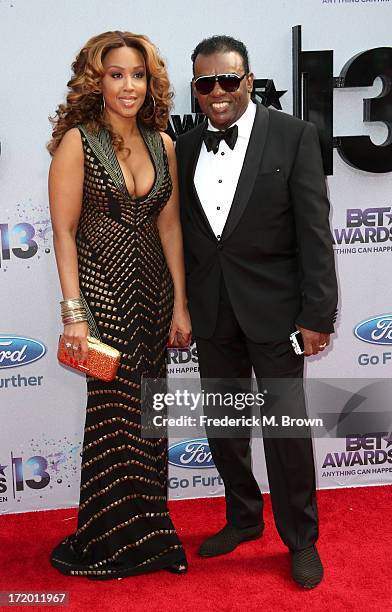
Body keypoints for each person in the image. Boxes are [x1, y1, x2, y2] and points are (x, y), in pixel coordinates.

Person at [176, 35, 338, 589]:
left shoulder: (294, 136)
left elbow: (315, 235)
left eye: (228, 80)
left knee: (286, 434)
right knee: (224, 428)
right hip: (213, 312)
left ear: (248, 80)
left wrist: (318, 315)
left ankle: (301, 541)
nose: (217, 92)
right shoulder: (186, 145)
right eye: (205, 83)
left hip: (277, 314)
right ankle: (243, 519)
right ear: (195, 88)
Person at [48, 30, 191, 579]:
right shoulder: (78, 142)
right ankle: (109, 539)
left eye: (137, 75)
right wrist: (73, 312)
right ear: (97, 80)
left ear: (149, 82)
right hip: (103, 295)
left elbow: (170, 224)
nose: (128, 86)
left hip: (152, 295)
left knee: (149, 416)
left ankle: (152, 537)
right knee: (114, 418)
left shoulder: (163, 143)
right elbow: (63, 233)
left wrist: (180, 301)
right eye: (116, 74)